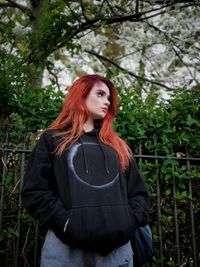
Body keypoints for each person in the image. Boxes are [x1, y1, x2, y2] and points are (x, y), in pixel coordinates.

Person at [21, 74, 150, 267]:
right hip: (65, 250)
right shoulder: (53, 139)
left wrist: (127, 223)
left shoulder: (118, 145)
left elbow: (139, 194)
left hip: (116, 252)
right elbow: (34, 191)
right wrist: (66, 223)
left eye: (108, 98)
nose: (107, 101)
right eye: (100, 94)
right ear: (81, 95)